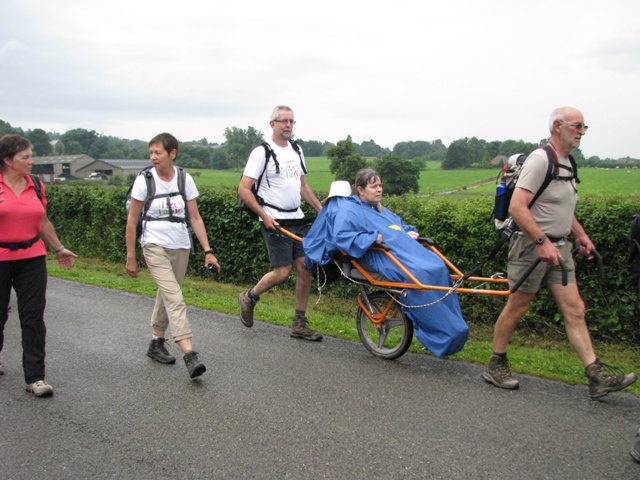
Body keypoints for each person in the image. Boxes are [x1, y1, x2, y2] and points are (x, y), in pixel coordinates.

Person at [482, 107, 637, 398]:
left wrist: (581, 236)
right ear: (557, 126)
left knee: (575, 309)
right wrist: (542, 242)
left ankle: (595, 375)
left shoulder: (568, 163)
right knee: (518, 307)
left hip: (560, 247)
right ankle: (495, 363)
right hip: (531, 246)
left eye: (584, 127)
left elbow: (562, 208)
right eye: (577, 126)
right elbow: (518, 207)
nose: (582, 131)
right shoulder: (542, 159)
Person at [303, 172, 469, 357]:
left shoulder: (378, 208)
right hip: (383, 256)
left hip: (404, 252)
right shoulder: (348, 210)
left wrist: (409, 231)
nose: (379, 189)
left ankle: (451, 330)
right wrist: (371, 237)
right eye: (374, 186)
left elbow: (396, 225)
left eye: (380, 185)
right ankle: (443, 334)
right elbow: (342, 238)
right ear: (359, 190)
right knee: (419, 275)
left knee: (437, 267)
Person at [126, 133, 220, 379]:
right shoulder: (144, 180)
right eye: (151, 153)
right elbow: (132, 219)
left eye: (158, 153)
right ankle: (190, 354)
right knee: (175, 297)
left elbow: (195, 217)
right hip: (153, 244)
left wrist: (208, 251)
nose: (153, 157)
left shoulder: (184, 179)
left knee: (167, 294)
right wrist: (131, 256)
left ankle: (156, 342)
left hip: (181, 245)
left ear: (172, 153)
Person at [0, 134, 77, 397]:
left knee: (33, 317)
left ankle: (35, 378)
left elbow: (43, 221)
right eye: (25, 157)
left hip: (32, 258)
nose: (31, 162)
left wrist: (58, 247)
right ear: (8, 160)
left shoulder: (35, 184)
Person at [237, 106, 323, 341]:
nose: (288, 125)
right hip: (275, 221)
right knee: (282, 272)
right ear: (272, 124)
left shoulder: (297, 150)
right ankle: (249, 296)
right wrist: (264, 216)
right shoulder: (261, 152)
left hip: (297, 218)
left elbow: (302, 185)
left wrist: (321, 210)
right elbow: (244, 189)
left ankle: (299, 322)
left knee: (305, 268)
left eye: (292, 121)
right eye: (283, 121)